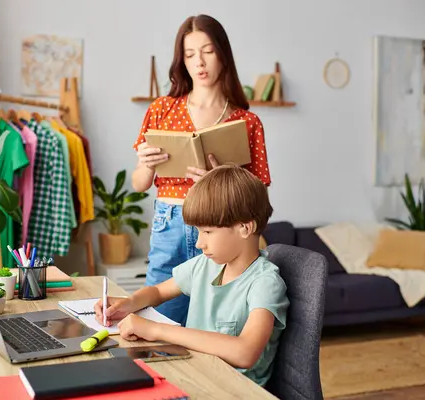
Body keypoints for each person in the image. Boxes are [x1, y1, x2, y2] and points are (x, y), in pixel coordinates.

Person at [132, 14, 271, 326]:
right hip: (169, 223)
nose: (200, 62)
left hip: (222, 229)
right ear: (182, 60)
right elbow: (140, 183)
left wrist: (221, 181)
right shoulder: (162, 109)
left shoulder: (246, 122)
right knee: (158, 322)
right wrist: (144, 163)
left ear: (223, 54)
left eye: (208, 51)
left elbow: (260, 193)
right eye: (190, 54)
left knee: (213, 324)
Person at [94, 165, 288, 387]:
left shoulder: (265, 283)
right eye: (198, 231)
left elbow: (245, 352)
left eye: (207, 232)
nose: (199, 243)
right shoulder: (205, 265)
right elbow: (158, 290)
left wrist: (155, 329)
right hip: (192, 376)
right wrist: (129, 303)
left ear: (244, 228)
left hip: (231, 390)